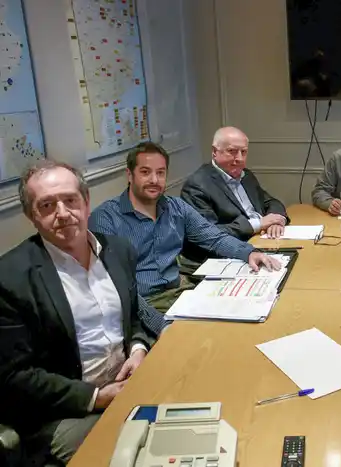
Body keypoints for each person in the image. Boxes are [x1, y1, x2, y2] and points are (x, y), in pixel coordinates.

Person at [0, 161, 152, 465]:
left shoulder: (118, 251)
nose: (62, 213)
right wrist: (96, 398)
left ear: (86, 202)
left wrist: (138, 349)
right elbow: (15, 376)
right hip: (64, 412)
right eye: (47, 205)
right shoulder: (10, 277)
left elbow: (133, 319)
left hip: (127, 386)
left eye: (70, 200)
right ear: (31, 215)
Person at [89, 142, 280, 313]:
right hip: (142, 306)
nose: (154, 180)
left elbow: (214, 238)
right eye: (145, 172)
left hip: (179, 293)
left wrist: (249, 252)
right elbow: (115, 288)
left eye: (160, 173)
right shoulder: (105, 218)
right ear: (130, 175)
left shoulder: (176, 207)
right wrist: (159, 326)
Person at [180, 127, 289, 270]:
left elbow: (271, 202)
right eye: (232, 151)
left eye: (244, 152)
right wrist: (257, 224)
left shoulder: (246, 175)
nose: (240, 158)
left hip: (263, 242)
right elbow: (208, 235)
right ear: (214, 152)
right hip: (228, 257)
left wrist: (276, 220)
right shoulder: (197, 186)